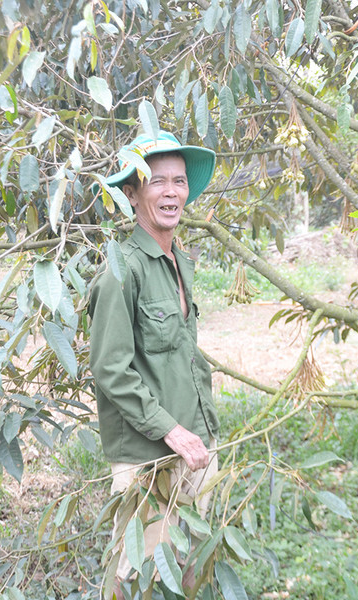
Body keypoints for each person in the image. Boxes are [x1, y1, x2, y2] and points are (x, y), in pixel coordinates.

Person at [88, 131, 220, 596]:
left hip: (194, 443)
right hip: (149, 457)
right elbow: (111, 369)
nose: (171, 192)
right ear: (132, 193)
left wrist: (198, 431)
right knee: (135, 574)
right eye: (157, 181)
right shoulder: (120, 270)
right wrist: (171, 431)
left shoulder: (176, 259)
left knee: (187, 562)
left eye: (179, 181)